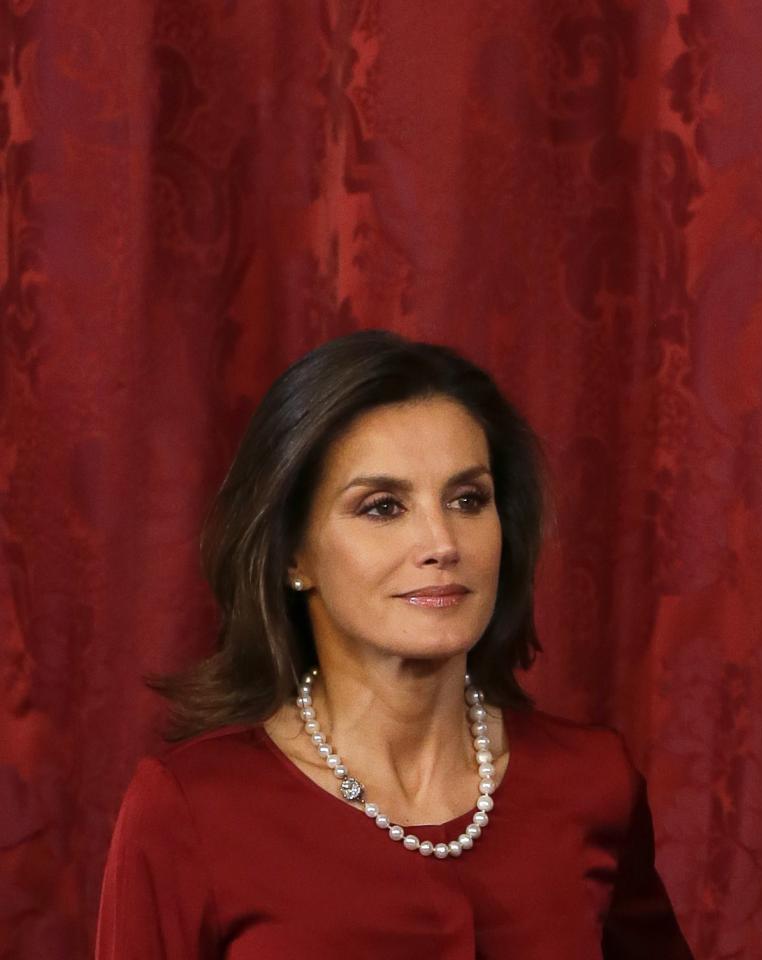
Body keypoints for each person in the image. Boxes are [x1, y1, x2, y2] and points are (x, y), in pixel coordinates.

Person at [97, 332, 692, 959]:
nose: (442, 541)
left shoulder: (592, 782)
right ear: (294, 555)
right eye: (382, 507)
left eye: (469, 499)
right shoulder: (190, 807)